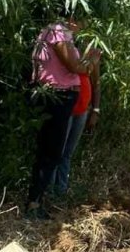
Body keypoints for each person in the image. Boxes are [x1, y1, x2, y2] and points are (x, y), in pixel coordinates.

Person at [26, 15, 100, 217]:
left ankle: (38, 202)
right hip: (56, 97)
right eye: (83, 21)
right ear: (73, 17)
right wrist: (92, 60)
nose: (84, 26)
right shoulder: (57, 32)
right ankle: (34, 205)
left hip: (61, 98)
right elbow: (74, 67)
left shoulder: (60, 34)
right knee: (51, 152)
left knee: (52, 151)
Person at [51, 53, 101, 197]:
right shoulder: (67, 51)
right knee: (57, 150)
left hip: (82, 111)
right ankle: (48, 192)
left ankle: (60, 192)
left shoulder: (93, 55)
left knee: (67, 153)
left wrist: (96, 110)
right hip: (65, 109)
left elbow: (96, 83)